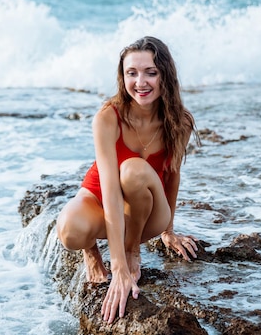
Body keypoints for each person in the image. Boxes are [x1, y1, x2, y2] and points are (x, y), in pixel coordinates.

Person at [56, 36, 200, 324]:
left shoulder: (179, 121)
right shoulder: (108, 116)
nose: (140, 82)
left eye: (151, 72)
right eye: (131, 73)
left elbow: (172, 175)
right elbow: (109, 187)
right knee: (70, 231)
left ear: (165, 75)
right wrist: (116, 266)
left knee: (134, 170)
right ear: (122, 78)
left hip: (146, 214)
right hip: (101, 197)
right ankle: (92, 251)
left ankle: (134, 249)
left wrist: (168, 232)